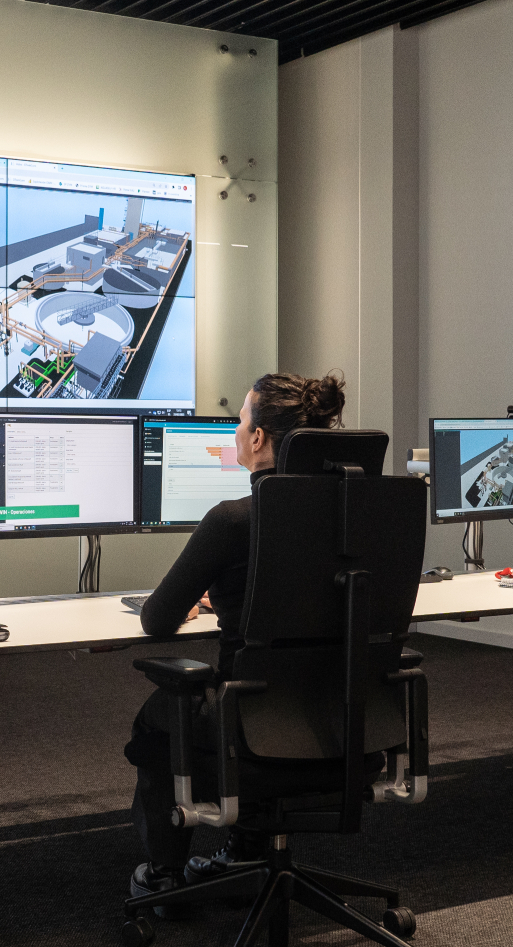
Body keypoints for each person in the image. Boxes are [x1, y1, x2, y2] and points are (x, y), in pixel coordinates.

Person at [125, 370, 349, 910]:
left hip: (249, 719)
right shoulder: (356, 514)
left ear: (258, 438)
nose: (237, 429)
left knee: (160, 715)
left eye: (241, 418)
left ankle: (163, 875)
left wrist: (205, 596)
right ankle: (247, 850)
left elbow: (156, 619)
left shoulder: (232, 521)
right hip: (345, 712)